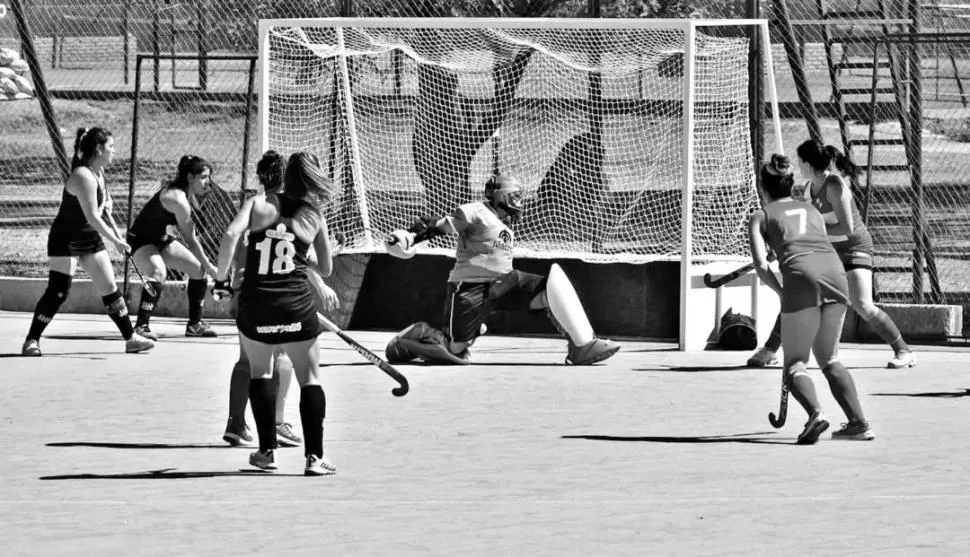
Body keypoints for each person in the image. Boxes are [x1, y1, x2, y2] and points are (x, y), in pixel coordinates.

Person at [383, 174, 619, 366]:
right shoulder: (475, 211)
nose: (519, 201)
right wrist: (411, 236)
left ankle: (583, 346)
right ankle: (416, 335)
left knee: (551, 286)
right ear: (499, 195)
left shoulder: (504, 226)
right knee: (454, 351)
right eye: (514, 196)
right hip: (470, 287)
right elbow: (438, 225)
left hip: (505, 283)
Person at [213, 151, 339, 476]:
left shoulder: (257, 205)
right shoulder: (314, 214)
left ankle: (267, 452)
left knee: (261, 373)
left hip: (257, 306)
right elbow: (325, 269)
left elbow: (230, 236)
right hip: (295, 304)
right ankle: (315, 458)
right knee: (309, 379)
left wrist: (221, 279)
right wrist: (302, 255)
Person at [746, 142, 916, 370]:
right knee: (799, 292)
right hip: (829, 250)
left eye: (799, 161)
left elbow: (847, 228)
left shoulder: (834, 184)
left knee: (862, 303)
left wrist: (814, 234)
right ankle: (770, 349)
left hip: (854, 247)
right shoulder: (809, 188)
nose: (797, 165)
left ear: (806, 163)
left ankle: (903, 350)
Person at [749, 154, 875, 443]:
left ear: (762, 186)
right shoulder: (812, 211)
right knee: (830, 359)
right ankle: (858, 423)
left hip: (801, 281)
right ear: (790, 184)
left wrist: (781, 292)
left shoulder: (760, 216)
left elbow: (761, 265)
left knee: (795, 362)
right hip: (835, 275)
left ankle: (816, 415)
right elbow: (809, 239)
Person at [21, 127, 155, 357]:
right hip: (66, 239)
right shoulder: (83, 175)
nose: (114, 151)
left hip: (89, 239)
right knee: (59, 291)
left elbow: (101, 211)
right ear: (99, 149)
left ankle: (131, 338)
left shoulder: (99, 174)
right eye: (111, 147)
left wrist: (108, 208)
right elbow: (92, 217)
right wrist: (117, 241)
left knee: (110, 288)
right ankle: (31, 340)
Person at [222, 151, 303, 448]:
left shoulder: (253, 206)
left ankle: (235, 423)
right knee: (282, 357)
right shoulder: (292, 210)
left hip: (248, 292)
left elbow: (234, 239)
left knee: (246, 360)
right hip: (278, 293)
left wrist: (228, 282)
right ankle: (278, 423)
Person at [126, 155, 219, 339]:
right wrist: (211, 266)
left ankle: (195, 325)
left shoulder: (187, 193)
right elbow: (191, 240)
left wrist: (205, 266)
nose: (208, 182)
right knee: (158, 272)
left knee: (197, 269)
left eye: (208, 176)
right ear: (190, 177)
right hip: (139, 241)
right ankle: (141, 327)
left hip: (159, 239)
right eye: (203, 177)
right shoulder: (177, 199)